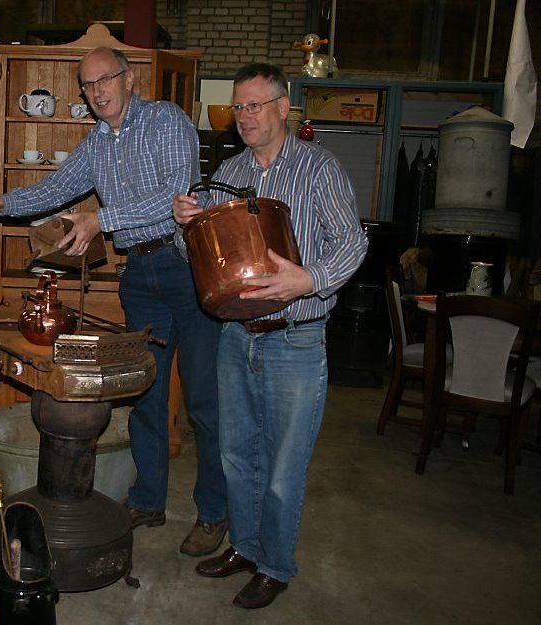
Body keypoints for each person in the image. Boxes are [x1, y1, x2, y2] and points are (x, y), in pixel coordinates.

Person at [0, 47, 229, 558]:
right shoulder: (95, 144)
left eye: (106, 79)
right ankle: (149, 500)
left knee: (204, 402)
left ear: (129, 80)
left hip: (185, 272)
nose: (98, 91)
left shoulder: (166, 122)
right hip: (140, 275)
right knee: (145, 395)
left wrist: (99, 220)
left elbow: (176, 198)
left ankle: (214, 513)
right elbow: (57, 187)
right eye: (88, 86)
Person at [172, 63, 367, 609]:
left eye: (257, 105)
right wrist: (185, 222)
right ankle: (247, 547)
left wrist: (310, 278)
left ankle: (276, 565)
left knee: (283, 466)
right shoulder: (230, 173)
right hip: (238, 336)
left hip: (297, 339)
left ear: (284, 108)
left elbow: (352, 243)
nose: (246, 117)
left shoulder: (318, 169)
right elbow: (201, 259)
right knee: (237, 455)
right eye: (239, 107)